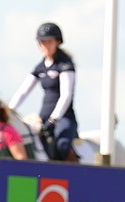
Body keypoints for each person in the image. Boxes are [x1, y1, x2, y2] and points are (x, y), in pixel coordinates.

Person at [8, 22, 78, 161]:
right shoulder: (40, 67)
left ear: (57, 42)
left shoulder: (65, 65)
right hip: (43, 118)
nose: (45, 45)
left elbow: (66, 95)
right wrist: (8, 112)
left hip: (63, 118)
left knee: (62, 145)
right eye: (42, 42)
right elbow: (23, 92)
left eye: (49, 42)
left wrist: (54, 120)